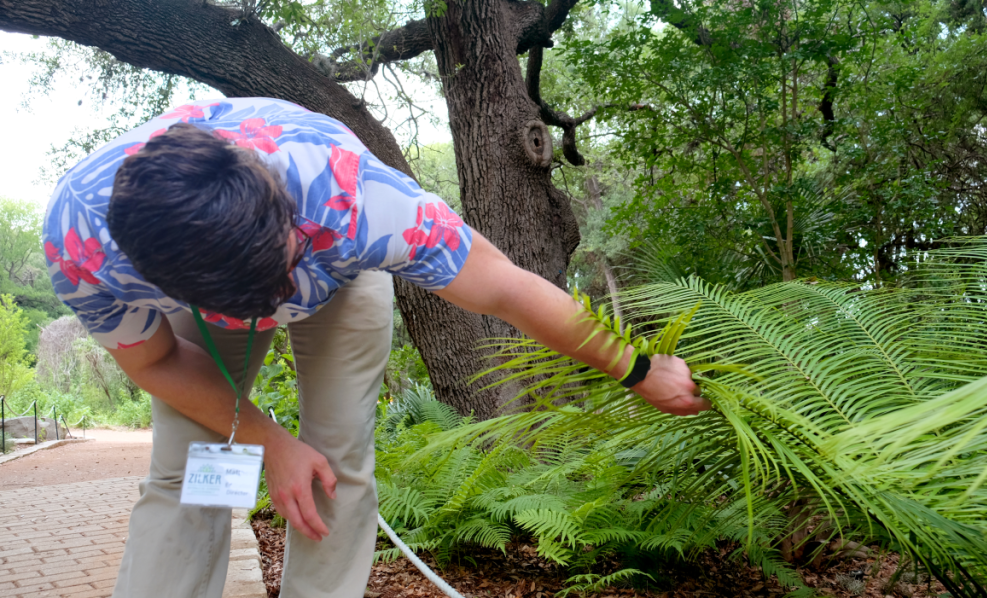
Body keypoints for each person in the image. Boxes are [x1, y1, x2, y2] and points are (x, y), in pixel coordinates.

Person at [43, 97, 709, 598]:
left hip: (339, 265)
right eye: (263, 296)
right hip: (207, 299)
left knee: (334, 464)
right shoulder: (82, 245)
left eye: (283, 267)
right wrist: (270, 442)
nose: (283, 298)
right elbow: (157, 361)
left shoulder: (350, 196)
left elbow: (507, 288)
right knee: (191, 467)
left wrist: (639, 367)